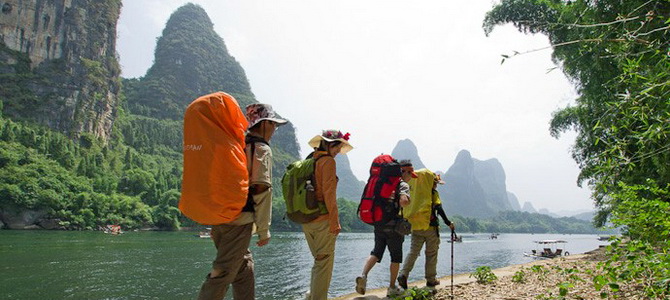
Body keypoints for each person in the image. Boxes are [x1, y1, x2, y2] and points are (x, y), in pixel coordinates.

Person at [197, 103, 287, 300]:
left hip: (221, 217)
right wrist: (264, 229)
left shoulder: (236, 144)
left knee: (244, 267)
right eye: (273, 125)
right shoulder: (261, 148)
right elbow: (261, 188)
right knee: (222, 272)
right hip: (240, 220)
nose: (274, 130)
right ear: (264, 124)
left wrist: (213, 222)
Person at [302, 129, 353, 300]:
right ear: (331, 144)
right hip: (323, 219)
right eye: (337, 149)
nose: (338, 153)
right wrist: (335, 221)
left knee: (319, 261)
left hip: (307, 219)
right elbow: (329, 194)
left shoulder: (310, 160)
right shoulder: (328, 162)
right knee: (324, 264)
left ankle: (311, 296)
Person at [355, 160, 415, 298]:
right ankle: (392, 287)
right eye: (410, 172)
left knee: (376, 252)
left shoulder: (381, 181)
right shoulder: (402, 184)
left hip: (378, 223)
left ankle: (363, 275)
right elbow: (404, 202)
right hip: (394, 227)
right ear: (403, 171)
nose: (411, 176)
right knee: (395, 257)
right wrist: (406, 199)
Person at [397, 167, 455, 290]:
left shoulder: (412, 192)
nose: (436, 186)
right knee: (431, 253)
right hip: (430, 227)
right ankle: (431, 280)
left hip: (415, 226)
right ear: (432, 182)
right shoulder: (432, 193)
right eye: (436, 183)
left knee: (413, 252)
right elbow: (438, 208)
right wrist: (448, 223)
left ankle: (403, 274)